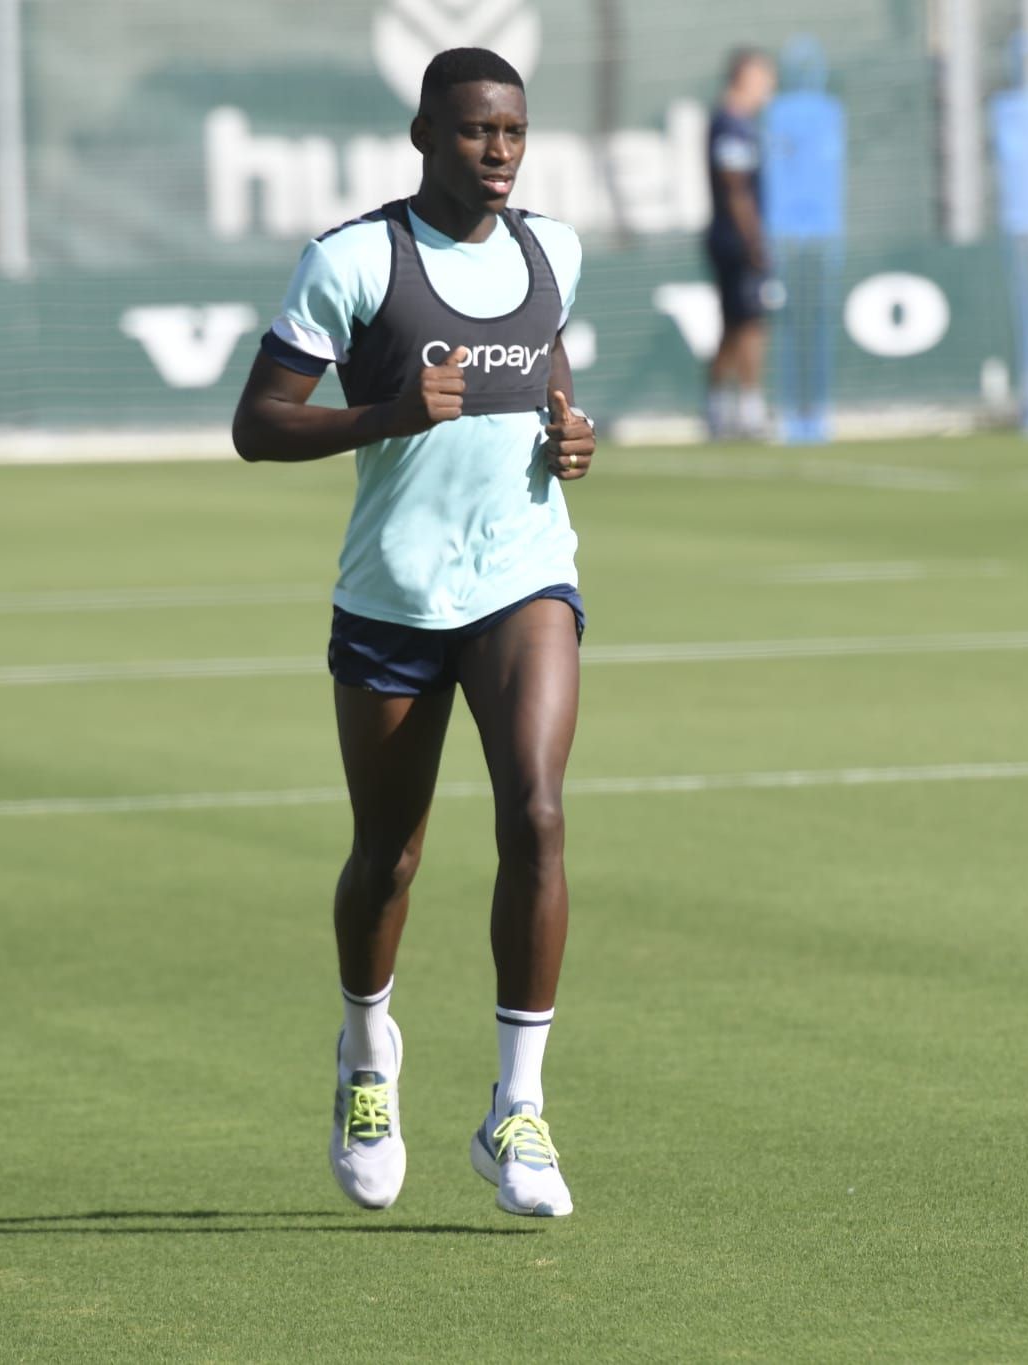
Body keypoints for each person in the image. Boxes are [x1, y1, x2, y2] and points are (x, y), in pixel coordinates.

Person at [229, 47, 594, 1220]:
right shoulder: (352, 261)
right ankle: (364, 1053)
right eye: (477, 132)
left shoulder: (553, 249)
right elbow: (257, 424)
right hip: (393, 592)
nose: (499, 153)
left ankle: (516, 1110)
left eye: (514, 134)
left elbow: (547, 360)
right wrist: (385, 414)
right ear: (424, 135)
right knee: (387, 853)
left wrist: (569, 430)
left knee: (535, 814)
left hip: (524, 576)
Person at [704, 46, 778, 441]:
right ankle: (749, 408)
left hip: (731, 237)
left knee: (735, 323)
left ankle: (717, 407)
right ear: (745, 77)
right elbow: (736, 188)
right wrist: (754, 239)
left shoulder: (737, 123)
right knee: (750, 322)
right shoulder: (731, 124)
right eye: (765, 78)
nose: (770, 87)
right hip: (735, 239)